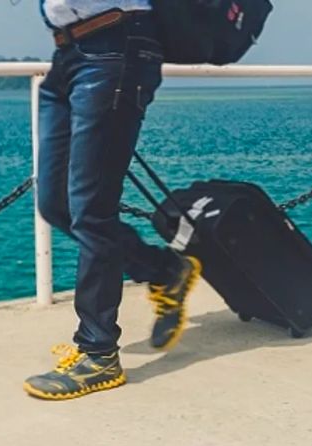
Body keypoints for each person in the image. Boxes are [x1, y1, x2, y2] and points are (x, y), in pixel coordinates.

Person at [23, 1, 202, 400]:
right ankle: (164, 269)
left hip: (114, 47)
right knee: (56, 204)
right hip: (69, 52)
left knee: (91, 210)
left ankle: (99, 353)